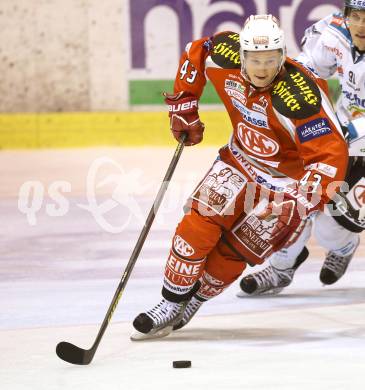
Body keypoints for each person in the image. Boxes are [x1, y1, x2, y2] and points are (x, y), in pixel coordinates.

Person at [131, 14, 348, 340]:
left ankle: (195, 300)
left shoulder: (299, 96)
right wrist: (185, 105)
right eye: (255, 59)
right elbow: (196, 51)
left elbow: (329, 156)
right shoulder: (226, 53)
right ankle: (169, 301)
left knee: (236, 251)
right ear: (242, 55)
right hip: (240, 160)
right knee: (197, 224)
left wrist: (301, 201)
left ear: (283, 56)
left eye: (271, 60)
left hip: (285, 186)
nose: (262, 68)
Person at [238, 0, 365, 297]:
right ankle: (281, 267)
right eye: (355, 16)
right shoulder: (334, 34)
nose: (361, 25)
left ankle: (344, 246)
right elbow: (305, 72)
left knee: (332, 224)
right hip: (344, 137)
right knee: (299, 195)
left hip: (354, 138)